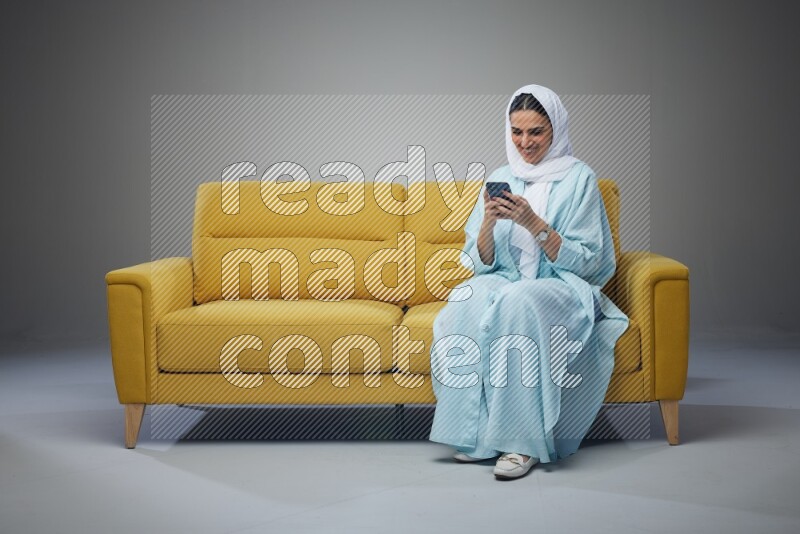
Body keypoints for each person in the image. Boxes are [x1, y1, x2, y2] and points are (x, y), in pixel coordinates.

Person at [428, 84, 630, 480]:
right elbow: (480, 262)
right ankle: (476, 436)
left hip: (561, 286)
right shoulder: (502, 176)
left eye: (536, 131)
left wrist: (533, 223)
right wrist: (488, 220)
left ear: (555, 129)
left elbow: (589, 261)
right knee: (468, 297)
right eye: (517, 131)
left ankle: (522, 442)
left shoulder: (579, 179)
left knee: (518, 301)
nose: (525, 142)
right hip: (505, 280)